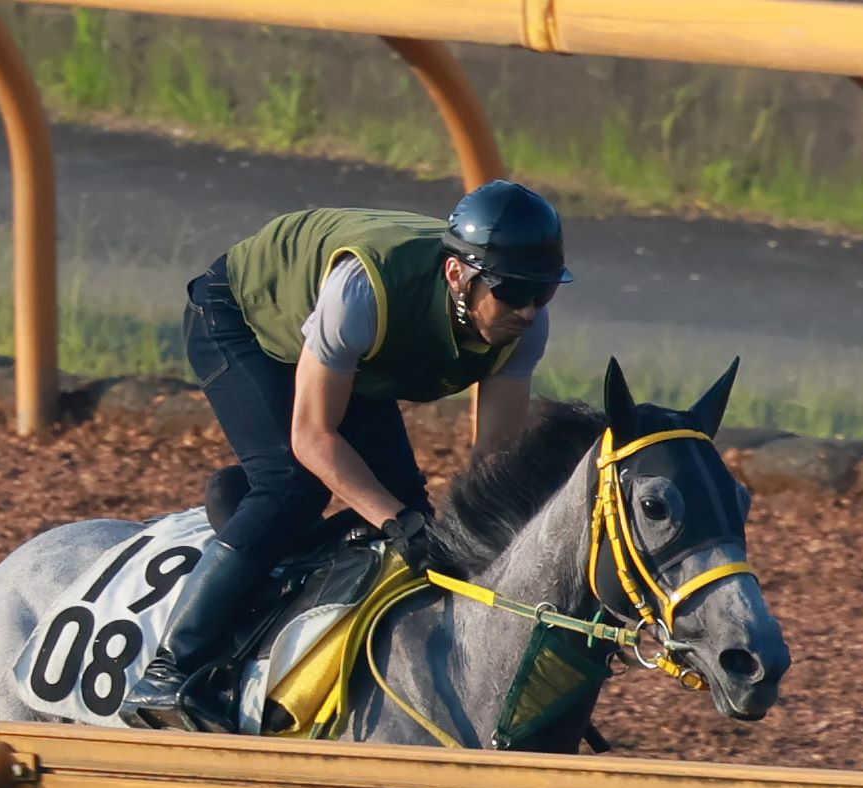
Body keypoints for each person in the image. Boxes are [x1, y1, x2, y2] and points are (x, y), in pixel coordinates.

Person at [123, 178, 572, 720]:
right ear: (458, 274)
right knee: (293, 484)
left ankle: (260, 539)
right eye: (513, 292)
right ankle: (168, 670)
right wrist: (395, 521)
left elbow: (492, 466)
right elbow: (313, 437)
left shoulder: (526, 326)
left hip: (350, 350)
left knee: (408, 507)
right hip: (245, 315)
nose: (527, 311)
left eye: (542, 293)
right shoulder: (364, 287)